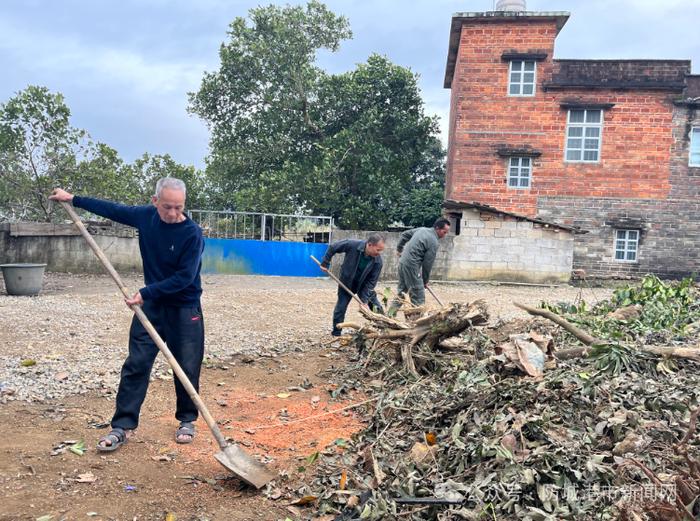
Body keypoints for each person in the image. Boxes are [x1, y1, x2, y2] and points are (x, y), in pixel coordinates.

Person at [49, 178, 205, 451]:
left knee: (186, 367)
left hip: (184, 307)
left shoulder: (192, 233)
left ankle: (187, 420)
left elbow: (184, 278)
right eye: (167, 206)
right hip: (151, 306)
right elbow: (112, 209)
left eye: (178, 207)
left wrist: (145, 292)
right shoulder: (145, 217)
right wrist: (72, 198)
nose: (172, 213)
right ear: (155, 201)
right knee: (137, 364)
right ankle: (123, 425)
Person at [319, 234, 385, 336]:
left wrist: (365, 300)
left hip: (363, 286)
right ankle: (336, 333)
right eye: (378, 250)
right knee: (341, 308)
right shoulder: (353, 245)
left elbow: (371, 282)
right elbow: (333, 247)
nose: (379, 253)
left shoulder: (377, 262)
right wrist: (325, 262)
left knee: (376, 307)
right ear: (370, 245)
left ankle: (384, 330)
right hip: (346, 283)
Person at [389, 218, 450, 312]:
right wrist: (425, 280)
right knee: (418, 295)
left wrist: (399, 249)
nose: (445, 235)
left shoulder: (421, 229)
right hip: (411, 266)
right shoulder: (433, 241)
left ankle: (390, 314)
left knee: (402, 292)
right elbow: (427, 264)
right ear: (437, 228)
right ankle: (418, 322)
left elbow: (404, 235)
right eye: (444, 232)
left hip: (402, 262)